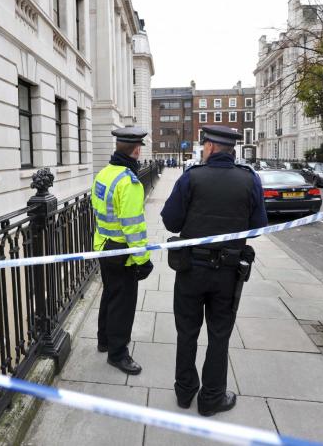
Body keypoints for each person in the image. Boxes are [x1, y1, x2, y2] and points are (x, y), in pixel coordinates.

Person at [160, 125, 267, 416]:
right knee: (219, 335)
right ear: (231, 150)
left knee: (187, 332)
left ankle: (184, 393)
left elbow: (171, 221)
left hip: (191, 269)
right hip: (228, 273)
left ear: (209, 147)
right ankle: (211, 399)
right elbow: (258, 227)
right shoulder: (249, 179)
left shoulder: (191, 177)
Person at [91, 127, 154, 375]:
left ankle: (104, 340)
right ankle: (118, 354)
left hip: (103, 245)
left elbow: (97, 207)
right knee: (123, 303)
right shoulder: (128, 181)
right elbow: (133, 227)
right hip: (122, 252)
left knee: (110, 294)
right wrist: (143, 260)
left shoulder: (104, 174)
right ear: (136, 150)